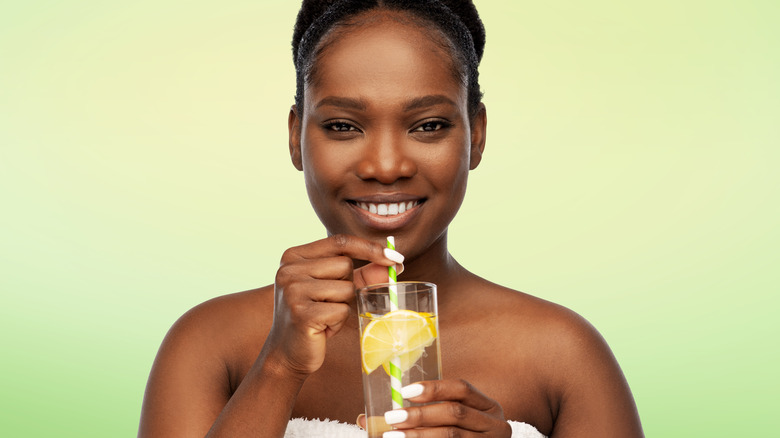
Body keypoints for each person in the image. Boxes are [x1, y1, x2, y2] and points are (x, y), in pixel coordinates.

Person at [138, 1, 644, 436]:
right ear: (296, 137)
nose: (385, 166)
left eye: (428, 125)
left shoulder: (562, 354)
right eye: (342, 125)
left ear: (477, 135)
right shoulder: (212, 344)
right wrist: (280, 366)